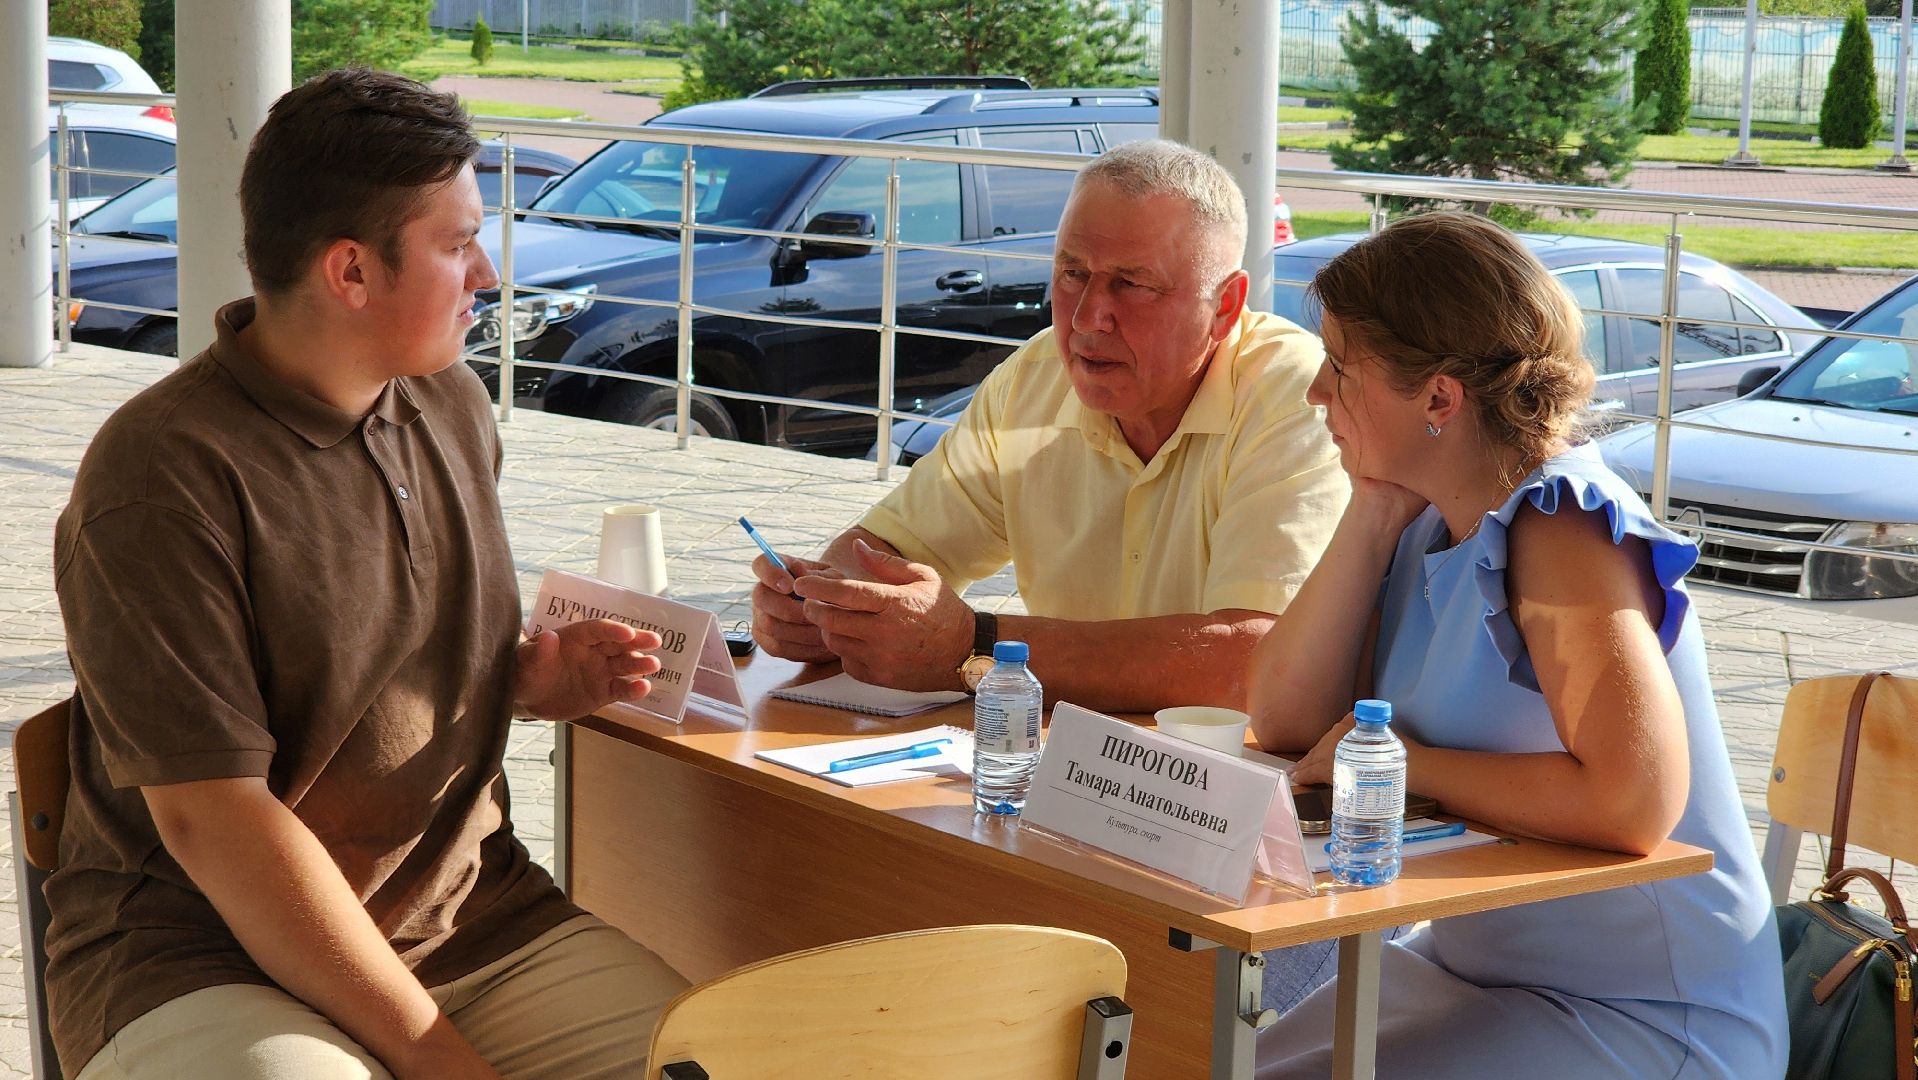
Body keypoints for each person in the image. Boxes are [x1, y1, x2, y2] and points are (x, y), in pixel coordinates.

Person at [49, 69, 688, 1080]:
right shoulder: (161, 475)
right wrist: (438, 1061)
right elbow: (214, 823)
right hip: (199, 958)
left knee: (722, 1056)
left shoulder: (450, 403)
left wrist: (525, 680)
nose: (488, 274)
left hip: (469, 927)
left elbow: (374, 673)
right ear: (350, 271)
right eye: (458, 244)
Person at [1247, 211, 1787, 1079]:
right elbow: (1284, 720)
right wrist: (1374, 509)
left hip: (1645, 1015)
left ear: (1439, 399)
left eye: (1340, 368)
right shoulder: (1422, 517)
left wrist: (1407, 764)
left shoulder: (1562, 523)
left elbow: (1632, 804)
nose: (1316, 392)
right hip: (1479, 972)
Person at [749, 140, 1347, 712]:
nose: (1087, 318)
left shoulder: (1295, 393)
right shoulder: (1035, 377)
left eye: (1132, 284)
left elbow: (1254, 660)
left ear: (1224, 307)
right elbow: (888, 550)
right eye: (1071, 273)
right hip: (1053, 756)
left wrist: (973, 647)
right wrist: (826, 608)